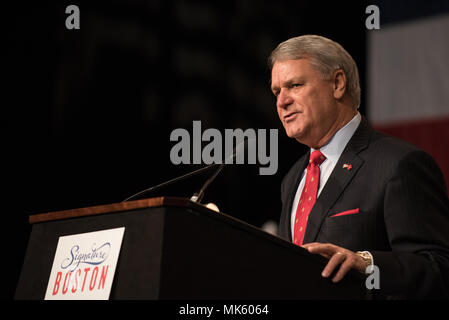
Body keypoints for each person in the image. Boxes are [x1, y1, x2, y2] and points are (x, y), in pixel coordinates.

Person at [269, 34, 449, 299]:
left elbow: (440, 270)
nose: (281, 101)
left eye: (294, 85)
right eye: (276, 91)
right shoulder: (293, 178)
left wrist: (368, 264)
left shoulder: (398, 164)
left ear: (338, 84)